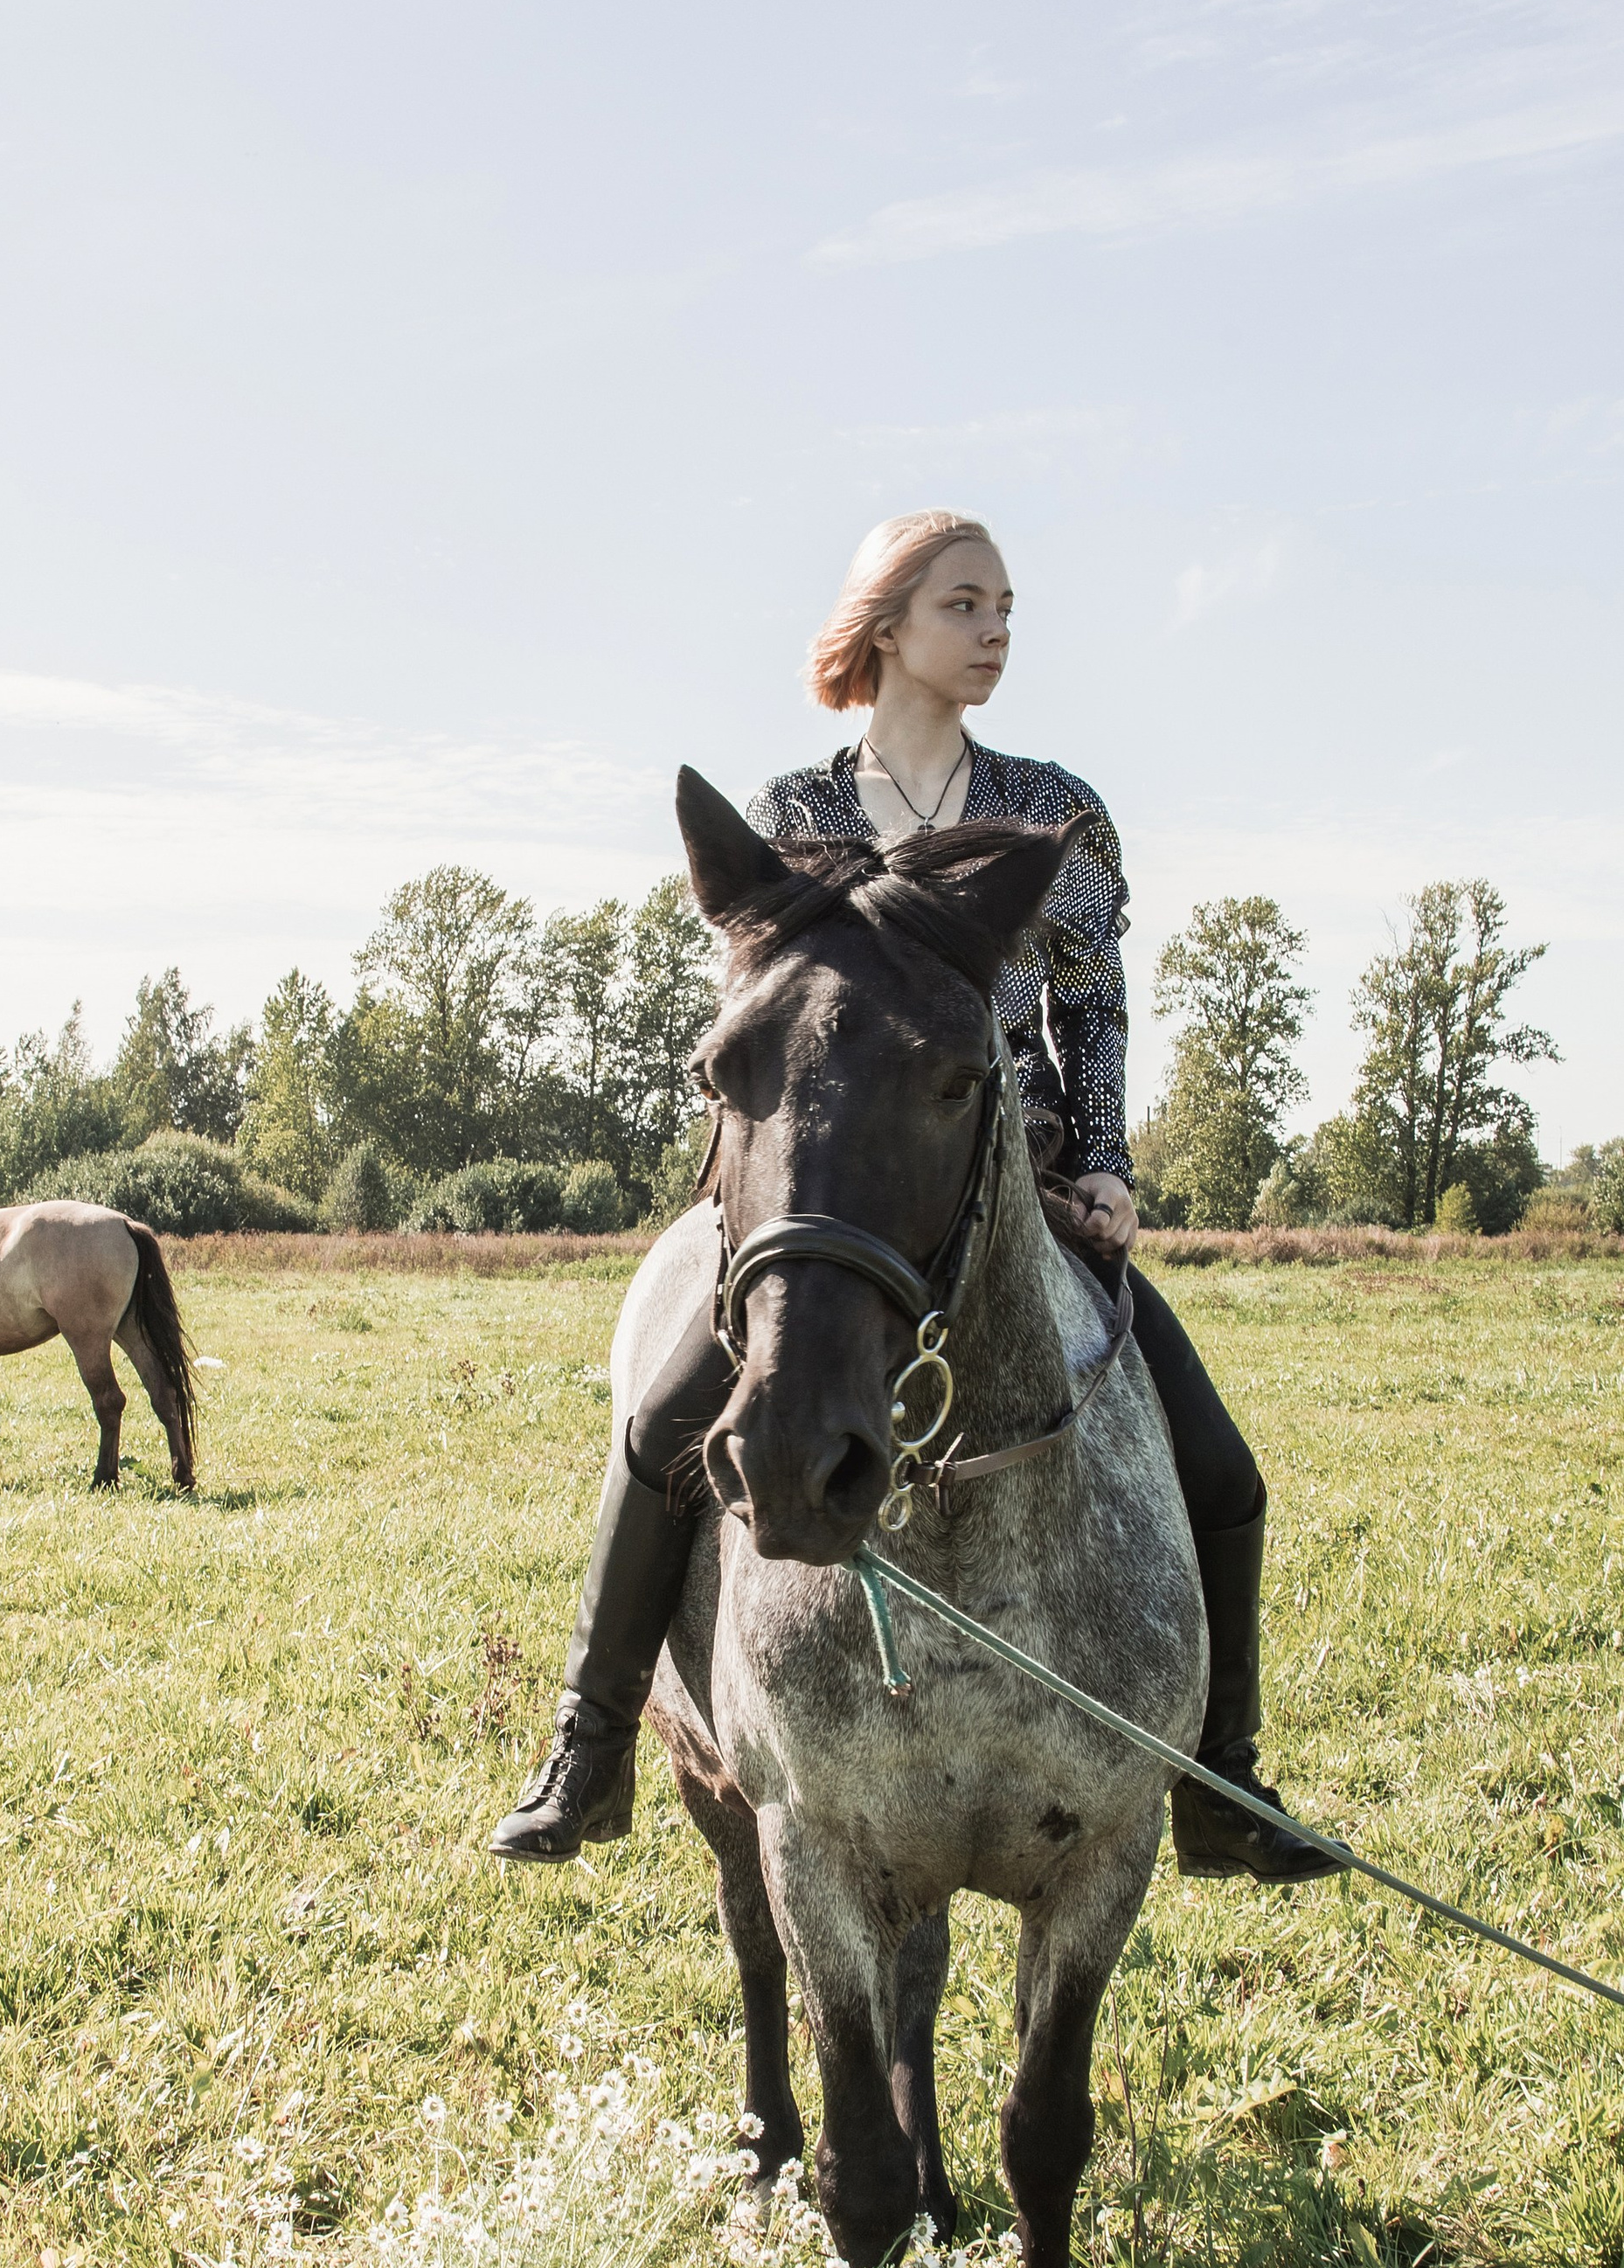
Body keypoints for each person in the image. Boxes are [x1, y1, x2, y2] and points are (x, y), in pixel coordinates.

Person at [491, 507, 1329, 1886]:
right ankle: (591, 1740)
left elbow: (1093, 1001)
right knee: (656, 1427)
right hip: (824, 1192)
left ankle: (1223, 1775)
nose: (996, 628)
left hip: (1019, 1191)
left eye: (1005, 605)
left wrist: (1105, 1160)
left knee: (1222, 1468)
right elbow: (754, 1017)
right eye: (964, 604)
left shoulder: (1052, 809)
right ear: (884, 625)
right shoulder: (793, 817)